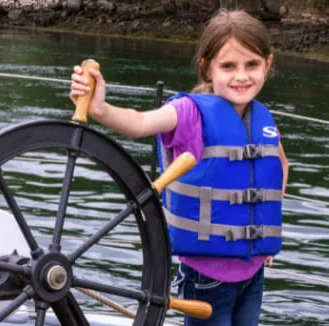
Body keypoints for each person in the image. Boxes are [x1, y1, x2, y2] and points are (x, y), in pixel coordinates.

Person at [69, 9, 289, 326]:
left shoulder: (262, 120)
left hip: (253, 272)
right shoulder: (188, 113)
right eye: (228, 66)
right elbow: (140, 122)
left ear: (267, 64)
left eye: (251, 65)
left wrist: (265, 231)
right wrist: (100, 109)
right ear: (207, 68)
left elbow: (280, 165)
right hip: (206, 279)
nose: (241, 76)